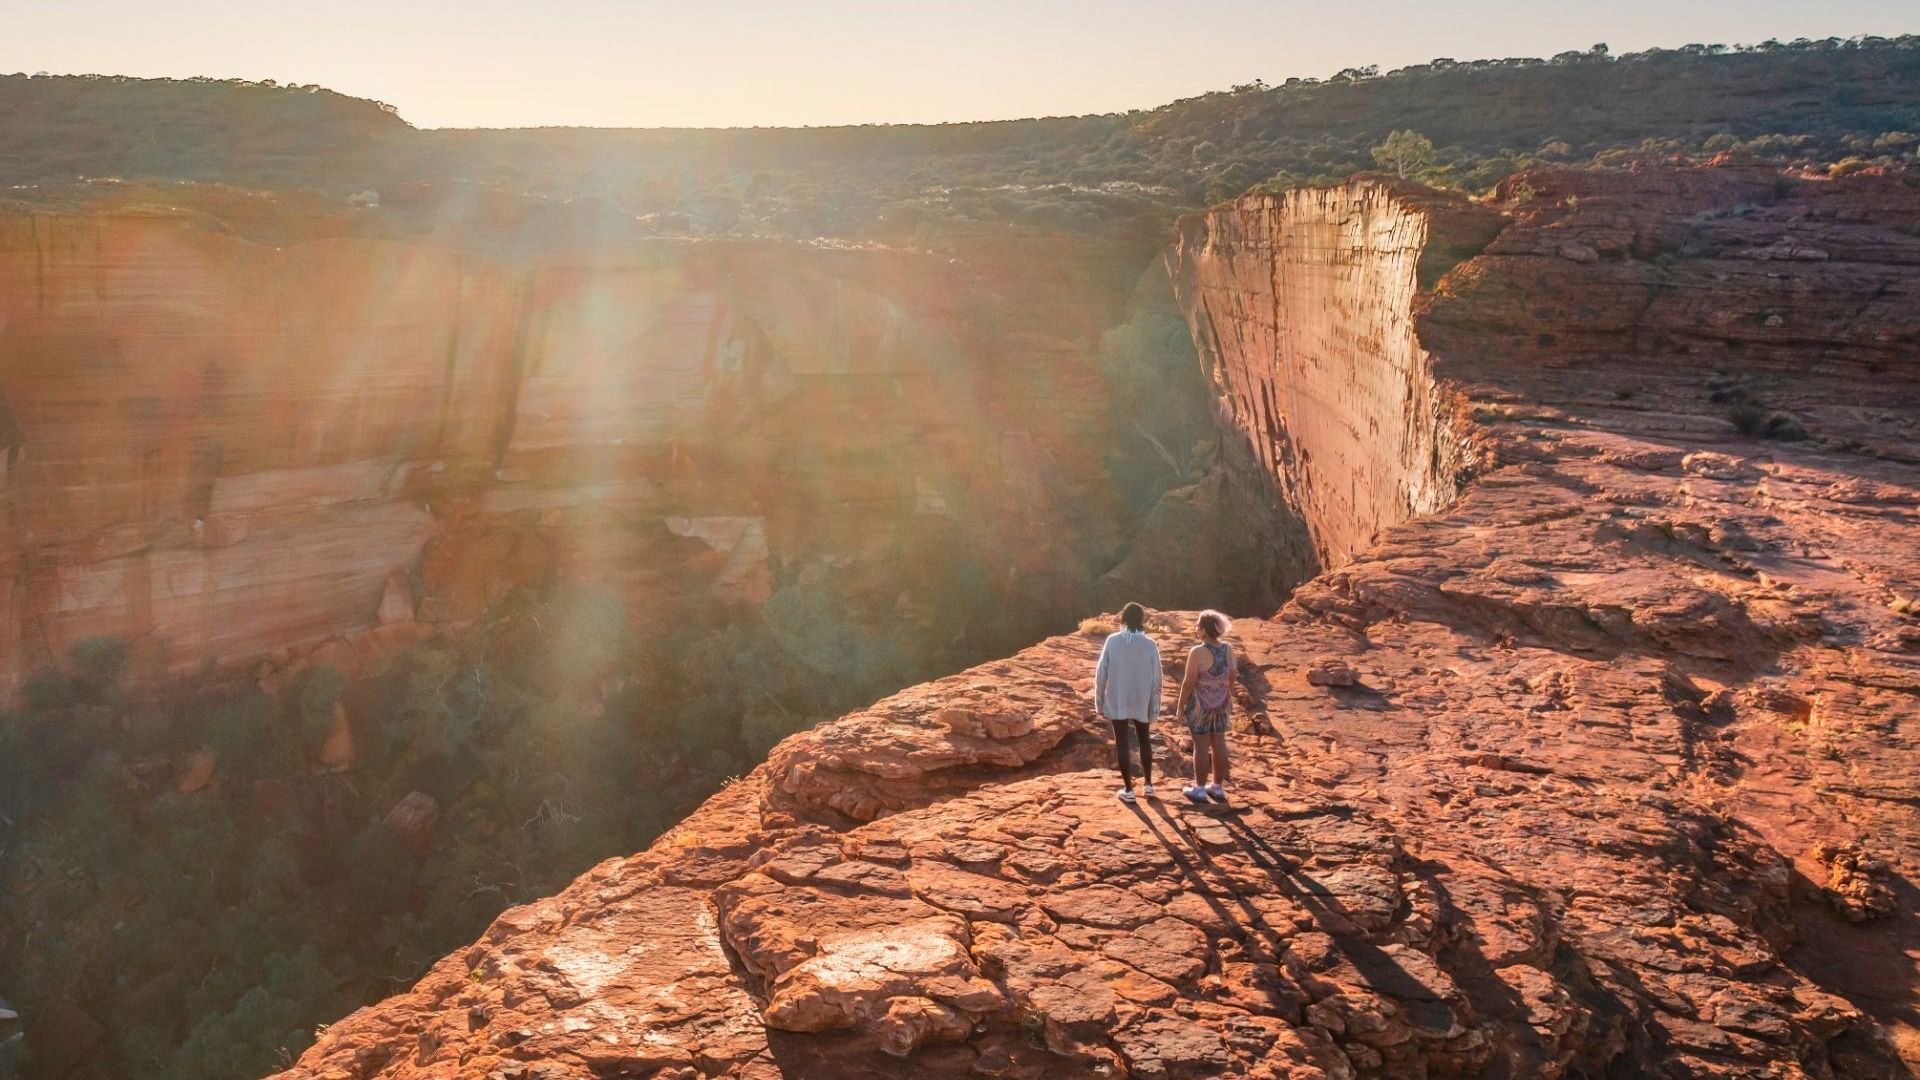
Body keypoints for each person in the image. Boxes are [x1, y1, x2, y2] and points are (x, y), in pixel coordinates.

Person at [1094, 602, 1162, 803]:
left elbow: (1101, 673)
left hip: (1118, 698)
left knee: (1122, 741)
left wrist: (1099, 702)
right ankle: (1148, 785)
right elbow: (1158, 678)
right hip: (1142, 699)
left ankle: (1128, 790)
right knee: (1144, 740)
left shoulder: (1112, 641)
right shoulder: (1150, 644)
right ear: (1142, 620)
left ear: (1123, 618)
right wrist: (1155, 708)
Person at [1175, 610, 1235, 803]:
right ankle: (1217, 787)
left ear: (1203, 630)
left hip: (1200, 704)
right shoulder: (1228, 649)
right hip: (1221, 703)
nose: (1195, 629)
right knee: (1219, 743)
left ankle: (1200, 789)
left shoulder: (1197, 652)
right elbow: (1232, 675)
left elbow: (1189, 682)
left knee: (1200, 745)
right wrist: (1224, 694)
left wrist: (1180, 705)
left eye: (1197, 626)